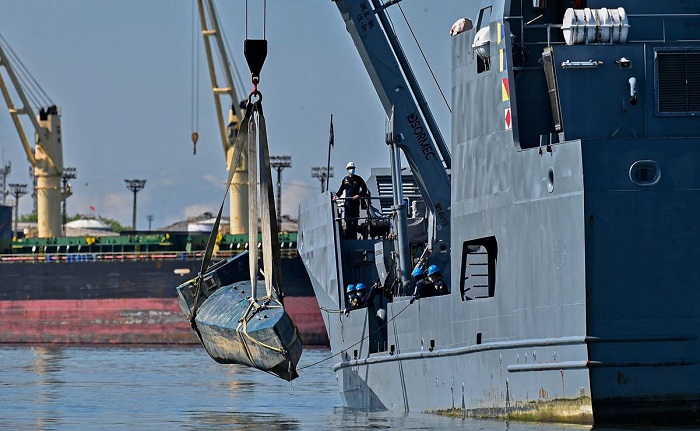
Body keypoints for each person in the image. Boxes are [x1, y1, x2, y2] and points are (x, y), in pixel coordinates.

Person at [334, 161, 369, 240]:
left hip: (355, 204)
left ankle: (354, 238)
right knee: (348, 222)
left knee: (355, 221)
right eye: (350, 168)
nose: (351, 170)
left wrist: (359, 195)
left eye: (352, 168)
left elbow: (365, 189)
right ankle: (348, 238)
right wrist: (336, 196)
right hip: (348, 204)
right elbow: (341, 189)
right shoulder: (345, 180)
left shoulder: (358, 179)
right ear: (347, 169)